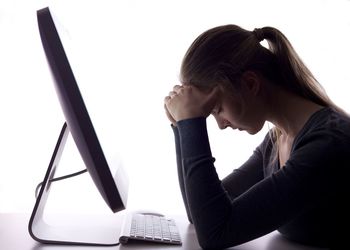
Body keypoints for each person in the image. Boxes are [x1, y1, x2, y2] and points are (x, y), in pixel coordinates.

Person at [164, 24, 349, 249]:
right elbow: (201, 214)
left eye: (217, 109)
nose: (220, 125)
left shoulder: (328, 144)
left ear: (251, 84)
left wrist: (192, 124)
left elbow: (215, 232)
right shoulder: (276, 141)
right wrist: (181, 127)